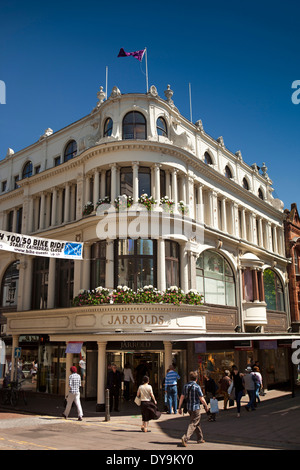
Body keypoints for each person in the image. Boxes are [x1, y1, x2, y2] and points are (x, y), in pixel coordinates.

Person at [178, 370, 209, 447]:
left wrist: (179, 407)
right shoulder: (197, 387)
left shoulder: (185, 386)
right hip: (196, 408)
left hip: (189, 408)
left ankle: (200, 438)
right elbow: (201, 398)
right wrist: (206, 406)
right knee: (193, 423)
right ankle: (185, 438)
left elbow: (182, 397)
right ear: (196, 379)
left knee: (196, 422)